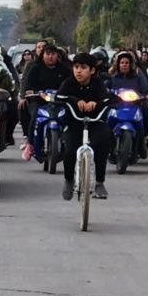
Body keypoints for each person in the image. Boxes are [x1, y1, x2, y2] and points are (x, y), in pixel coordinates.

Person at [57, 52, 112, 200]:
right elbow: (59, 97)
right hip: (74, 124)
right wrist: (75, 100)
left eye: (83, 67)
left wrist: (97, 103)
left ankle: (100, 182)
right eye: (76, 67)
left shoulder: (98, 84)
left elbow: (108, 98)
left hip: (95, 123)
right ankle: (69, 180)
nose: (78, 71)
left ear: (92, 70)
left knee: (103, 142)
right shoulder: (69, 83)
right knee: (69, 150)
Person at [22, 44, 72, 160]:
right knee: (34, 115)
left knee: (70, 117)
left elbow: (71, 83)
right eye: (48, 54)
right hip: (39, 100)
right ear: (43, 55)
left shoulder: (64, 69)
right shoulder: (35, 68)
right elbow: (28, 85)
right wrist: (33, 92)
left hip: (59, 101)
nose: (50, 57)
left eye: (53, 54)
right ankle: (30, 144)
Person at [106, 50, 148, 158]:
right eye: (122, 62)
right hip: (117, 107)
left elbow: (146, 89)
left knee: (144, 120)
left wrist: (147, 96)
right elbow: (105, 88)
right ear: (118, 64)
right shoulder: (113, 78)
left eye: (127, 63)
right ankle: (107, 147)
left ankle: (141, 146)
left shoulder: (137, 78)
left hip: (134, 106)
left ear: (130, 64)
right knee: (105, 122)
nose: (124, 65)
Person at [18, 39, 48, 144]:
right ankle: (29, 139)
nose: (41, 49)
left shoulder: (58, 65)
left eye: (43, 47)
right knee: (28, 111)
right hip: (36, 97)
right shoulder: (31, 65)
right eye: (38, 47)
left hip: (52, 98)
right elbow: (25, 81)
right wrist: (23, 96)